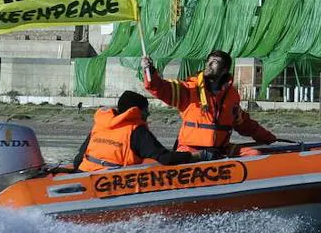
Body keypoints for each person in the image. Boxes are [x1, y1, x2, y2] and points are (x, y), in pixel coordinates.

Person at [142, 49, 276, 158]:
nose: (209, 64)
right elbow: (161, 88)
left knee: (255, 155)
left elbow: (244, 123)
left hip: (219, 150)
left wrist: (269, 138)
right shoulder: (190, 89)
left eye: (214, 62)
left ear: (224, 70)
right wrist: (150, 72)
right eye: (208, 61)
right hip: (190, 150)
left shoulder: (231, 96)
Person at [73, 90, 210, 171]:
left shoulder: (100, 125)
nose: (148, 114)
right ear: (137, 111)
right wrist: (199, 156)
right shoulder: (136, 131)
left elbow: (78, 159)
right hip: (111, 182)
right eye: (146, 110)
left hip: (85, 172)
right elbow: (165, 158)